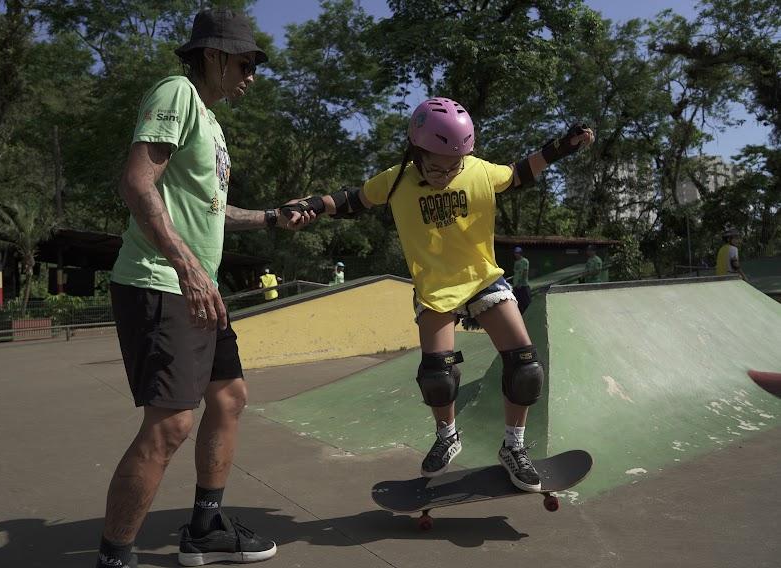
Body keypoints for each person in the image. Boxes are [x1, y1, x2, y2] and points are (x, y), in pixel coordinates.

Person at [99, 9, 315, 568]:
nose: (252, 74)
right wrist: (188, 268)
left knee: (228, 397)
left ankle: (205, 526)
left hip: (199, 288)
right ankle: (114, 558)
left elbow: (210, 212)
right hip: (161, 281)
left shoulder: (212, 125)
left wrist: (270, 217)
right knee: (171, 422)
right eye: (245, 62)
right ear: (214, 56)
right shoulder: (176, 93)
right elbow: (136, 180)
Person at [291, 98, 594, 491]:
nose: (445, 175)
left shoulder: (478, 171)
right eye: (435, 166)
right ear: (416, 153)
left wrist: (562, 147)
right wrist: (310, 204)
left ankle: (513, 448)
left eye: (453, 167)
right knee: (437, 375)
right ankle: (447, 437)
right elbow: (352, 200)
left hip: (482, 278)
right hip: (435, 287)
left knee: (525, 366)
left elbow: (521, 172)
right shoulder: (396, 179)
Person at [512, 246, 532, 314]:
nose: (516, 254)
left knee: (527, 302)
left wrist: (520, 283)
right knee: (519, 303)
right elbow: (516, 273)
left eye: (517, 253)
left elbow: (525, 272)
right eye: (515, 253)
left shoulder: (525, 261)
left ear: (520, 253)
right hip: (516, 285)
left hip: (523, 285)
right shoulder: (516, 262)